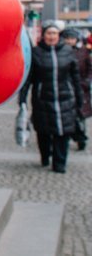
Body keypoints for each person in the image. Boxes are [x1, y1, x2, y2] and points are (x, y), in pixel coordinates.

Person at [18, 23, 84, 173]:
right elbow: (28, 78)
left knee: (63, 132)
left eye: (54, 33)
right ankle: (45, 155)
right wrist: (22, 99)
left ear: (59, 35)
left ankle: (59, 163)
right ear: (44, 35)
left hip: (65, 99)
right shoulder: (36, 53)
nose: (52, 36)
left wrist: (79, 97)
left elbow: (75, 77)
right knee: (43, 131)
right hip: (43, 99)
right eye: (49, 33)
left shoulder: (68, 52)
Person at [61, 28, 91, 150]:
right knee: (67, 115)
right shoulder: (60, 52)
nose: (69, 41)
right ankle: (67, 138)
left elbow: (90, 68)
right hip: (65, 88)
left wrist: (87, 81)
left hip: (81, 88)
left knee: (80, 115)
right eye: (67, 38)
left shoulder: (83, 52)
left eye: (72, 38)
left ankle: (81, 138)